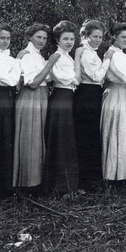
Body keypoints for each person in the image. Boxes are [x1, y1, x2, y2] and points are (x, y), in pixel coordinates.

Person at [13, 23, 59, 192]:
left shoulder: (37, 55)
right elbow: (32, 83)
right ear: (29, 37)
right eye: (38, 37)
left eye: (45, 38)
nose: (42, 40)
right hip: (31, 97)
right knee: (30, 139)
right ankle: (27, 184)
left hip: (40, 97)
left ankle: (34, 182)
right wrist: (50, 63)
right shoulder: (28, 55)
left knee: (37, 138)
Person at [73, 20, 111, 190]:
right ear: (85, 36)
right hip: (87, 94)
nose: (98, 40)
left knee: (93, 135)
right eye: (94, 36)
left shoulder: (92, 53)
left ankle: (93, 179)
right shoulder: (84, 52)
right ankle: (86, 180)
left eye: (100, 37)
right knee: (86, 136)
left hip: (94, 94)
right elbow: (96, 76)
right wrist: (107, 61)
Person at [44, 20, 81, 193]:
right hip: (60, 98)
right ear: (57, 40)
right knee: (61, 139)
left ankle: (67, 184)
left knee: (67, 139)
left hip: (68, 97)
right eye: (65, 39)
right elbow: (63, 78)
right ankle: (59, 185)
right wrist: (74, 78)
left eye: (71, 39)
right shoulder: (57, 56)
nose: (69, 42)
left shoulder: (68, 56)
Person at [0, 23, 21, 197]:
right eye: (2, 38)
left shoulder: (8, 56)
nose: (6, 41)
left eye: (8, 38)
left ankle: (7, 186)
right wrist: (16, 66)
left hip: (8, 97)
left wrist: (13, 68)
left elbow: (12, 79)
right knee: (0, 137)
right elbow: (13, 80)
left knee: (8, 136)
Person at [101, 22, 126, 181]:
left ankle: (118, 174)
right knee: (115, 131)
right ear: (114, 36)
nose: (125, 40)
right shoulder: (113, 54)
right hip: (116, 93)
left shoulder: (120, 54)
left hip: (120, 93)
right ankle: (113, 175)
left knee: (119, 132)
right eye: (122, 37)